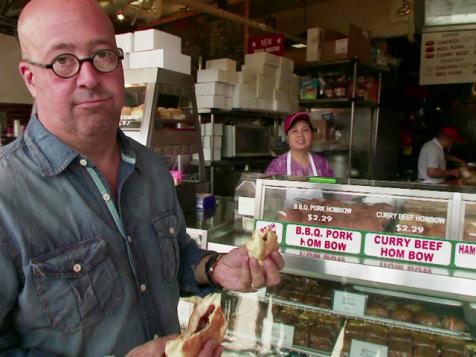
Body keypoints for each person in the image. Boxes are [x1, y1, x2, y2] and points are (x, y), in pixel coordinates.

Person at [0, 0, 284, 356]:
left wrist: (213, 268)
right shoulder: (7, 197)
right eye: (62, 61)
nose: (89, 77)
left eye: (102, 55)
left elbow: (175, 255)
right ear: (30, 78)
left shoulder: (150, 167)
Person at [265, 112, 334, 177]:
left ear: (312, 134)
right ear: (287, 138)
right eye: (294, 131)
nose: (300, 135)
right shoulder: (277, 166)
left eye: (305, 130)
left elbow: (331, 188)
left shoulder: (322, 164)